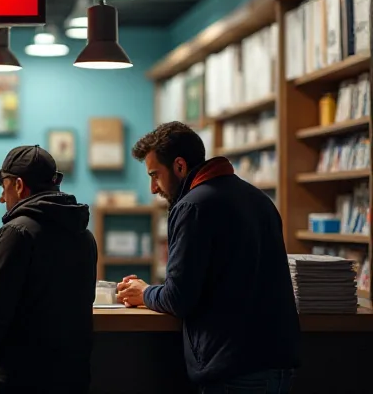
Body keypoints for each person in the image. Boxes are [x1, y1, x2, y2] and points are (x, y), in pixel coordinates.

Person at [116, 122, 300, 393]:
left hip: (234, 369)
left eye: (155, 175)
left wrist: (144, 293)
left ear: (179, 166)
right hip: (278, 364)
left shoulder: (193, 206)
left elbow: (178, 298)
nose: (153, 188)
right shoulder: (258, 199)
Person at [0, 145, 97, 393]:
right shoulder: (84, 235)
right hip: (73, 374)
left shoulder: (16, 232)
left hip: (22, 375)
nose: (1, 197)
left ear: (19, 186)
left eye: (3, 186)